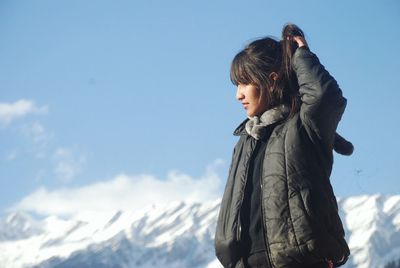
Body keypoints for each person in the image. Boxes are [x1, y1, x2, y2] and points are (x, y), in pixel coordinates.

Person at [214, 24, 352, 268]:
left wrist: (301, 55)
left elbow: (324, 96)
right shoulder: (245, 141)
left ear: (272, 79)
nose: (238, 95)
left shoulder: (304, 127)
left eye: (245, 83)